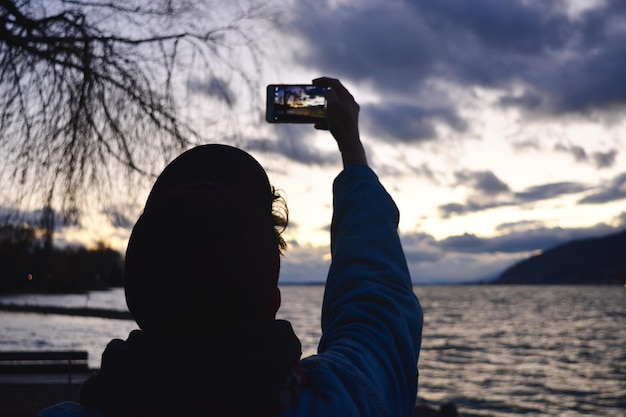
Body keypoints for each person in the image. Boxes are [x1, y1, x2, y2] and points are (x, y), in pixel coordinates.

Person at [37, 77, 423, 417]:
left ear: (137, 298)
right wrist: (351, 149)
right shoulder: (347, 403)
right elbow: (376, 303)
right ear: (273, 299)